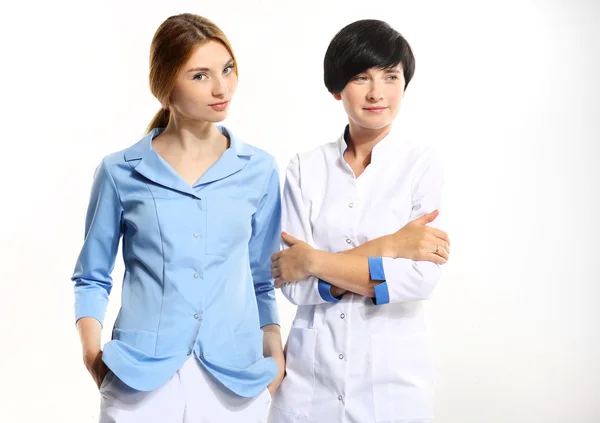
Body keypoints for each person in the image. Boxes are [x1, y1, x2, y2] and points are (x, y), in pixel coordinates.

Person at [72, 13, 284, 423]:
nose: (222, 87)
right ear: (166, 84)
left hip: (235, 381)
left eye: (227, 69)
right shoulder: (120, 171)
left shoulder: (259, 170)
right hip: (139, 379)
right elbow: (92, 275)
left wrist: (273, 351)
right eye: (200, 76)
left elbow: (263, 276)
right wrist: (92, 354)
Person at [268, 19, 450, 423]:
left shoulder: (421, 166)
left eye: (390, 77)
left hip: (391, 386)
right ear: (337, 88)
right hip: (308, 384)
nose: (377, 93)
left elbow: (419, 278)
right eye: (361, 77)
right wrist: (391, 247)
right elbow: (293, 286)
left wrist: (314, 261)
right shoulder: (304, 168)